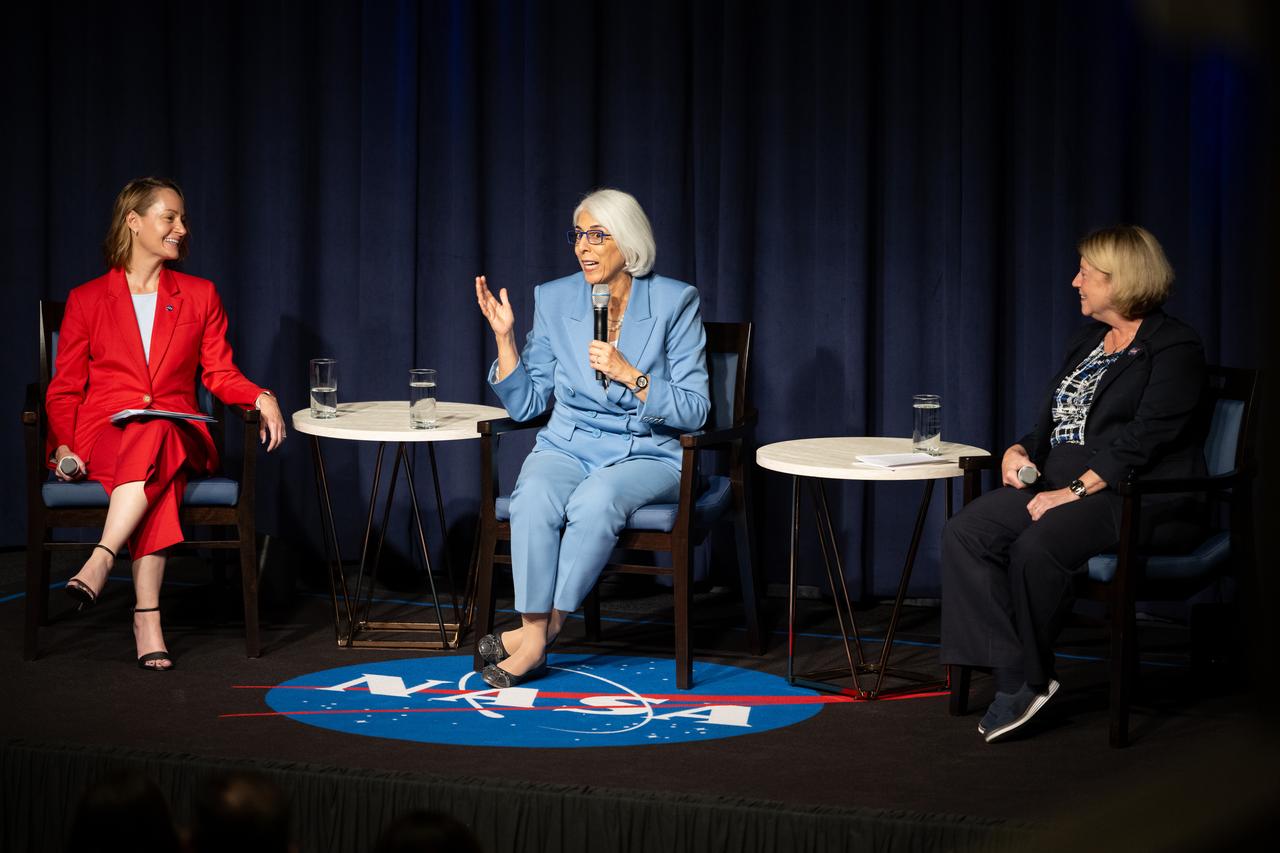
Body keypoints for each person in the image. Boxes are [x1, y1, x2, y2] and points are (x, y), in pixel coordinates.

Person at [941, 225, 1207, 743]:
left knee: (1038, 545)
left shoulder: (1174, 348)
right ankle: (1019, 676)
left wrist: (1074, 491)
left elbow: (1144, 440)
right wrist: (1020, 450)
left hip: (1138, 492)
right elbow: (1058, 421)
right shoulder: (1088, 341)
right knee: (967, 532)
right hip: (1063, 481)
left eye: (1086, 273)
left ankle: (1032, 678)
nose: (1074, 282)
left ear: (1121, 279)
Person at [45, 177, 286, 671]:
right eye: (169, 217)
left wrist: (260, 395)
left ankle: (102, 556)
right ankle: (147, 616)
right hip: (104, 435)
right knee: (158, 473)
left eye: (182, 218)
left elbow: (218, 372)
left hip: (178, 431)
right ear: (134, 222)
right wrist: (64, 447)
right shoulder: (88, 299)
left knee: (156, 433)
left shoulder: (199, 295)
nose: (181, 228)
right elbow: (65, 388)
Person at [473, 188, 710, 688]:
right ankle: (536, 635)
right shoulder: (555, 298)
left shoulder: (675, 301)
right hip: (568, 443)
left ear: (628, 242)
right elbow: (529, 405)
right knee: (532, 495)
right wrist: (505, 339)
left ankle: (537, 636)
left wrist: (632, 375)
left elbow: (695, 410)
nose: (584, 246)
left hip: (647, 449)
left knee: (595, 500)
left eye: (598, 235)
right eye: (579, 234)